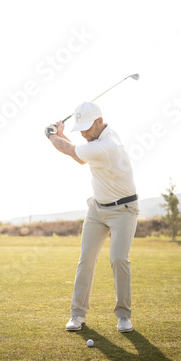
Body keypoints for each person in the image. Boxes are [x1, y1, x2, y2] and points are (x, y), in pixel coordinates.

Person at [45, 102, 139, 332]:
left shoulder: (107, 145)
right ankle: (77, 315)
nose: (85, 133)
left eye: (88, 128)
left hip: (123, 211)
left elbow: (70, 151)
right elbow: (74, 147)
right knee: (86, 259)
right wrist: (63, 133)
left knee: (118, 259)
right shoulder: (98, 137)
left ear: (100, 122)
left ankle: (123, 316)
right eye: (81, 129)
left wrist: (51, 135)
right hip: (97, 209)